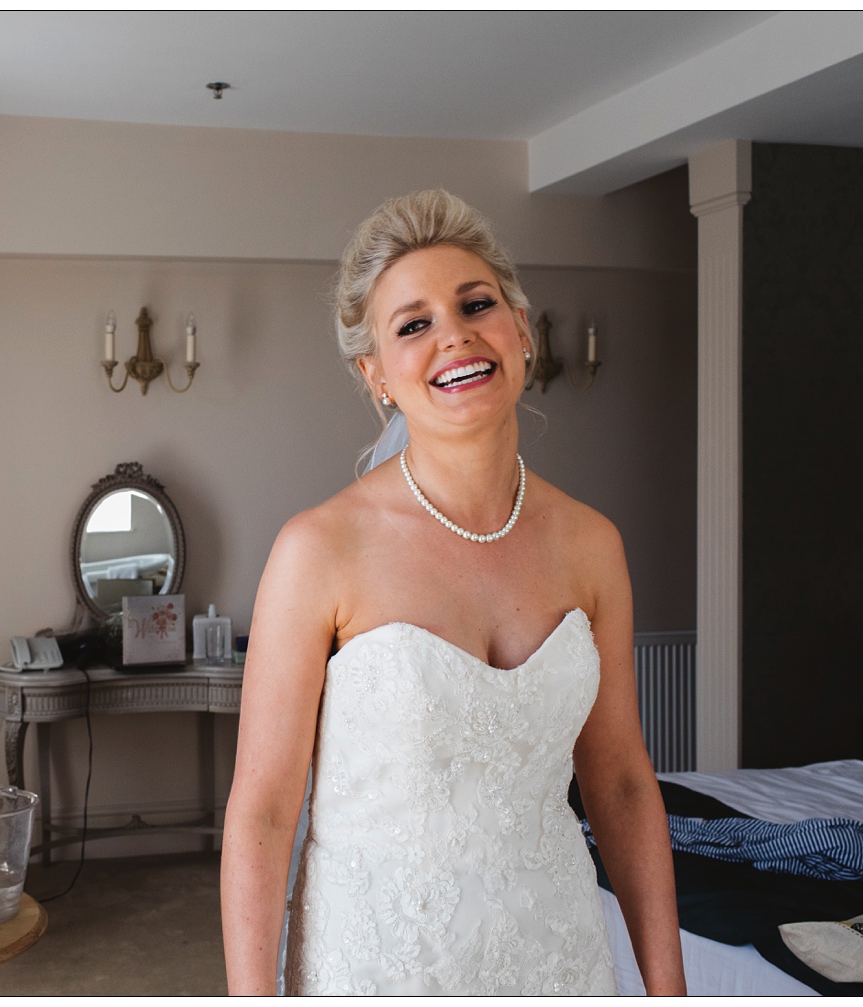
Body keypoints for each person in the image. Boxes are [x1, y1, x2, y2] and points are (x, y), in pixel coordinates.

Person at [220, 190, 686, 995]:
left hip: (556, 959)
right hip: (377, 966)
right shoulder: (319, 550)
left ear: (522, 332)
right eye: (413, 323)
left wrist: (667, 985)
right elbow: (262, 812)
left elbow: (619, 781)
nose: (455, 335)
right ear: (377, 377)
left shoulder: (592, 544)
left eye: (477, 304)